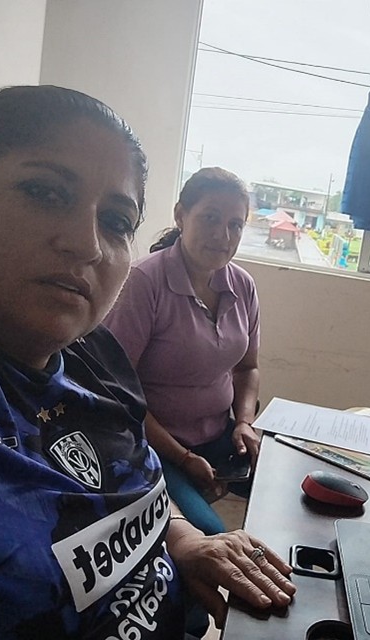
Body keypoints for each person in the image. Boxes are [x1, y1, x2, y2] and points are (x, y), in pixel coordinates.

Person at [0, 85, 294, 640]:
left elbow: (137, 475)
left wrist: (184, 539)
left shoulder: (92, 353)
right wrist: (185, 460)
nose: (87, 244)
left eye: (116, 221)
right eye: (45, 193)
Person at [104, 167, 260, 536]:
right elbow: (115, 392)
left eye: (235, 225)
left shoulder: (242, 285)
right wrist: (184, 458)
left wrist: (244, 422)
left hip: (221, 438)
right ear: (180, 215)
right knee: (206, 532)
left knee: (289, 491)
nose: (223, 236)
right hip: (153, 445)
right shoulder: (143, 282)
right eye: (210, 218)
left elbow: (247, 368)